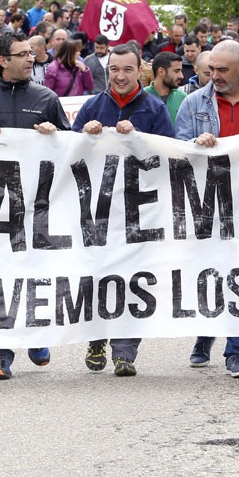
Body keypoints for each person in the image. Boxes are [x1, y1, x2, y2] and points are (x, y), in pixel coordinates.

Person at [0, 32, 69, 380]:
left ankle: (36, 338)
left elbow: (70, 147)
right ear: (2, 60)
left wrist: (55, 133)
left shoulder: (47, 98)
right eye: (22, 55)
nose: (31, 60)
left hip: (36, 205)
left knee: (35, 276)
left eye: (32, 54)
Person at [173, 41, 239, 378]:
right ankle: (204, 337)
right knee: (208, 272)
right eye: (211, 70)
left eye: (222, 70)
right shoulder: (193, 104)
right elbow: (177, 152)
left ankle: (237, 351)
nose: (214, 76)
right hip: (208, 203)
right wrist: (196, 144)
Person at [73, 44, 175, 377]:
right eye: (114, 69)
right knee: (98, 277)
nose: (120, 76)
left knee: (133, 280)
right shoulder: (92, 106)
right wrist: (84, 137)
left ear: (139, 71)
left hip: (139, 211)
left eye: (127, 70)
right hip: (98, 212)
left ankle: (125, 351)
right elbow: (68, 155)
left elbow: (168, 155)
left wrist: (139, 139)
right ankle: (96, 337)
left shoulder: (154, 108)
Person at [144, 51, 186, 125]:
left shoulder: (183, 98)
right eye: (176, 71)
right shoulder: (141, 97)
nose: (181, 76)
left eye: (181, 71)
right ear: (161, 72)